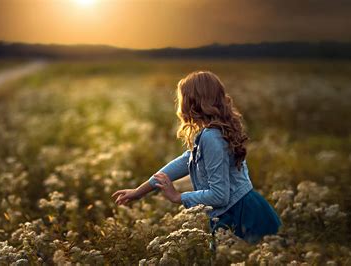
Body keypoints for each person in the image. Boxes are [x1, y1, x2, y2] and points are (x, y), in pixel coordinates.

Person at [112, 70, 282, 245]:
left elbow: (220, 196)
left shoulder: (211, 137)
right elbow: (184, 162)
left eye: (182, 98)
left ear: (192, 102)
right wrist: (138, 192)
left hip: (242, 217)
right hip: (242, 210)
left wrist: (179, 197)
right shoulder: (212, 133)